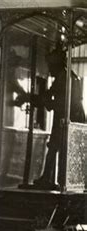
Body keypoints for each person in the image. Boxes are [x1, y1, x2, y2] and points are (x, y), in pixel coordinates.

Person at [31, 47, 86, 189]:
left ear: (57, 65)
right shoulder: (65, 76)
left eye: (51, 66)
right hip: (67, 118)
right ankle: (51, 179)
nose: (49, 70)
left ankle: (60, 181)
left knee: (59, 148)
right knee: (55, 147)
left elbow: (61, 103)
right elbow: (50, 94)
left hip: (69, 119)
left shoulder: (64, 78)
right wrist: (41, 99)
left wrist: (42, 101)